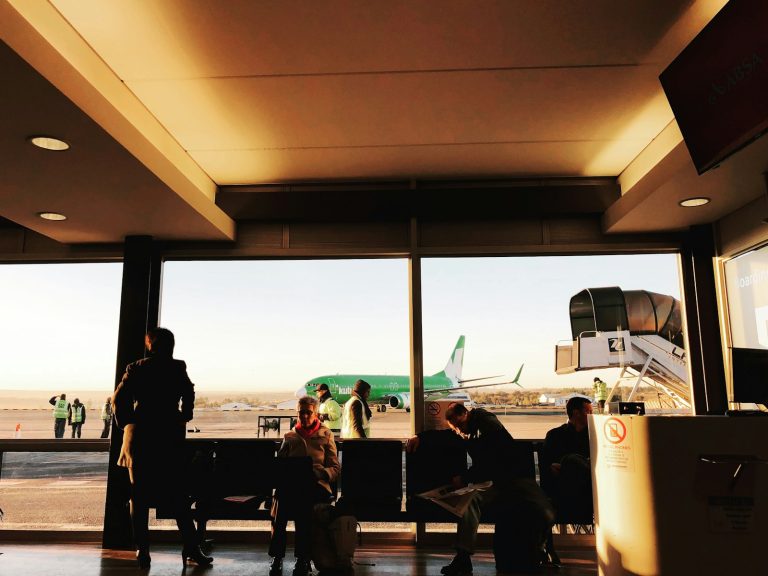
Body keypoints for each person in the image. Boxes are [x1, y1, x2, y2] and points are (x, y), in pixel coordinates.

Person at [407, 402, 552, 576]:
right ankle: (464, 556)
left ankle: (464, 557)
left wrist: (466, 478)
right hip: (498, 483)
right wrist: (420, 436)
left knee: (472, 501)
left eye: (459, 426)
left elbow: (494, 461)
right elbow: (446, 434)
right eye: (456, 428)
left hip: (511, 481)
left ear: (465, 414)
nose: (459, 431)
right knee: (471, 500)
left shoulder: (486, 424)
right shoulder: (468, 428)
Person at [113, 327, 212, 569]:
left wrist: (128, 423)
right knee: (178, 495)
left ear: (149, 345)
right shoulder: (178, 367)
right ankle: (191, 547)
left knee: (139, 495)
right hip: (168, 436)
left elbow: (118, 399)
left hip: (140, 437)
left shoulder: (136, 367)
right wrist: (184, 415)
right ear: (171, 345)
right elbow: (189, 392)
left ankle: (142, 549)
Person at [269, 395, 340, 576]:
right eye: (301, 413)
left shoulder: (325, 435)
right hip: (293, 485)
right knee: (280, 504)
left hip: (317, 485)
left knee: (302, 504)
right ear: (297, 413)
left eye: (309, 413)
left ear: (316, 414)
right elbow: (279, 466)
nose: (305, 417)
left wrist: (321, 473)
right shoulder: (290, 436)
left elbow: (335, 468)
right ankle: (277, 556)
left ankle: (302, 557)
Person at [542, 396, 594, 521]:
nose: (592, 416)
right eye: (589, 412)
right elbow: (546, 465)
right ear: (576, 413)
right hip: (578, 492)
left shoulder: (554, 435)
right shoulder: (592, 438)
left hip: (567, 492)